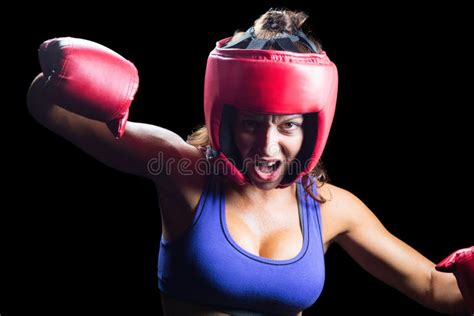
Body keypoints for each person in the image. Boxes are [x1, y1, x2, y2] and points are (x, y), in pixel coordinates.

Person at [27, 8, 473, 316]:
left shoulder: (330, 207)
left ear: (312, 128)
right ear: (225, 116)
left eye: (287, 126)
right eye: (252, 123)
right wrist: (63, 80)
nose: (267, 143)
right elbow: (51, 112)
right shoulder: (182, 170)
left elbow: (437, 288)